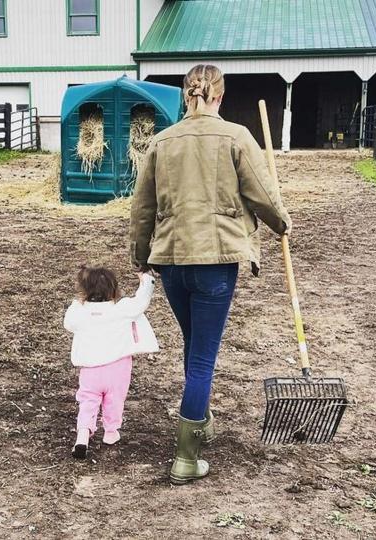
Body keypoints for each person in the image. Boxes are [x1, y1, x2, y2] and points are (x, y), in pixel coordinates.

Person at [129, 64, 292, 484]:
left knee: (193, 344)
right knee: (202, 358)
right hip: (215, 261)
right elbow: (261, 192)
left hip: (172, 263)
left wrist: (140, 255)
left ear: (188, 95)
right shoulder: (236, 136)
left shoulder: (161, 142)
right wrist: (281, 222)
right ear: (218, 95)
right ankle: (186, 458)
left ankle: (200, 418)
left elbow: (142, 208)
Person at [63, 266, 159, 459]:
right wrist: (145, 280)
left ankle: (83, 434)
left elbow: (69, 324)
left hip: (90, 369)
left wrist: (77, 304)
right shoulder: (122, 308)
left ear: (84, 290)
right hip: (118, 367)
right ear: (114, 288)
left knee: (88, 401)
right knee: (115, 400)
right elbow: (141, 302)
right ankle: (110, 432)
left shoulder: (78, 310)